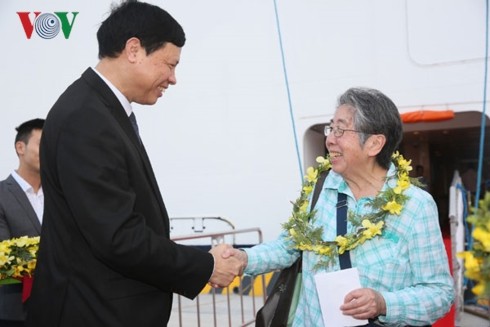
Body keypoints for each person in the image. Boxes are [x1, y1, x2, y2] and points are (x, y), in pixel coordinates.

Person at [25, 2, 242, 326]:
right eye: (169, 64)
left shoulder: (104, 110)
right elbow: (117, 237)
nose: (173, 78)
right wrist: (205, 266)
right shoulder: (85, 118)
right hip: (92, 313)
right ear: (134, 49)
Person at [226, 88, 454, 326]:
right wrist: (243, 258)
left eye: (340, 130)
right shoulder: (319, 187)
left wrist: (383, 303)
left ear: (374, 144)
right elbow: (289, 246)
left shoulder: (415, 206)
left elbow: (439, 292)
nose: (330, 139)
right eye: (331, 128)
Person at [0, 118, 44, 327]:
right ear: (21, 147)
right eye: (42, 144)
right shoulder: (1, 195)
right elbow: (3, 257)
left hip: (58, 309)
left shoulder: (61, 197)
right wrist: (55, 252)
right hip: (13, 313)